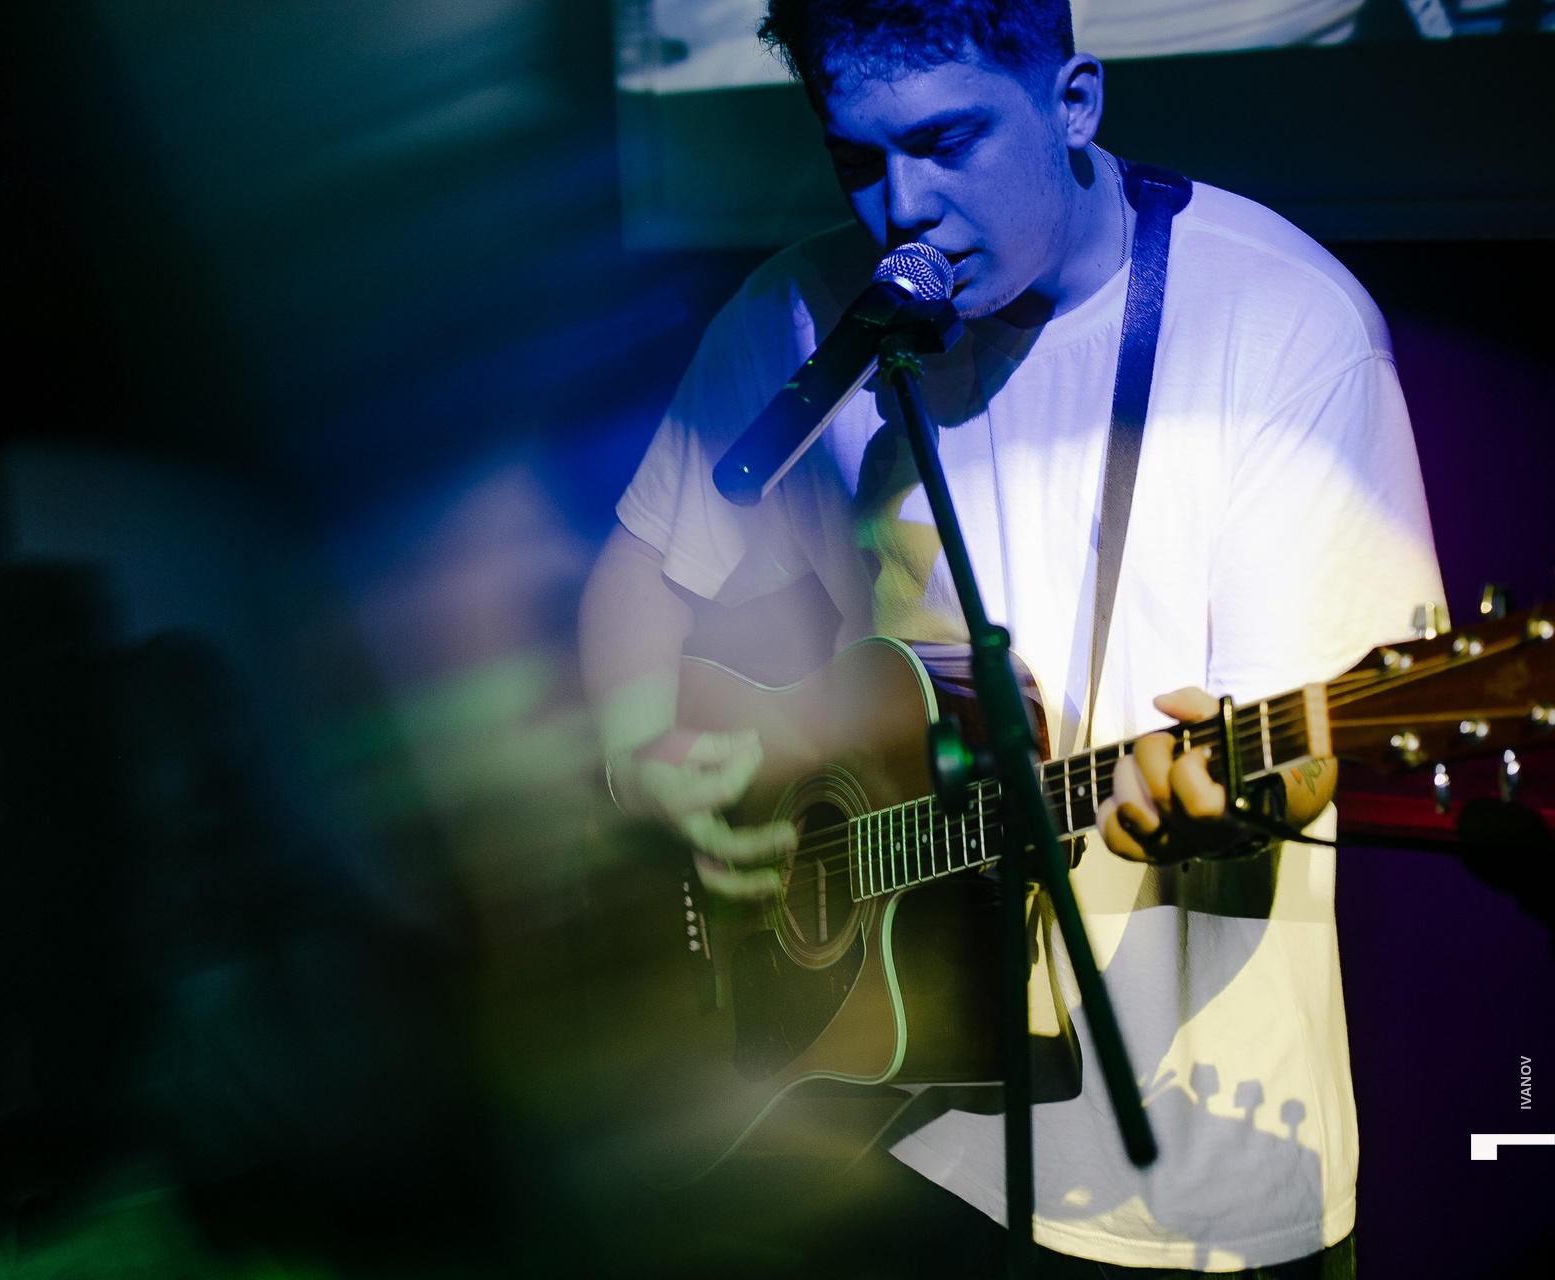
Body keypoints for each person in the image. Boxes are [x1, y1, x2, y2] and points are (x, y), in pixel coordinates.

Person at [577, 0, 1444, 1275]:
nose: (902, 207)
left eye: (947, 142)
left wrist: (1225, 801)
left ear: (1074, 102)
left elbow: (1312, 741)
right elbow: (643, 573)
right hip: (865, 1120)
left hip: (1180, 1180)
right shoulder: (803, 317)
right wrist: (637, 755)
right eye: (858, 159)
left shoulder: (1284, 325)